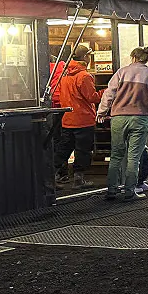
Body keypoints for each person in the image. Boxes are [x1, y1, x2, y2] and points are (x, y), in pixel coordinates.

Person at [97, 45, 148, 202]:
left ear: (133, 57)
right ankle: (130, 191)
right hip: (139, 119)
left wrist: (101, 112)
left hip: (118, 118)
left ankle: (111, 190)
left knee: (116, 156)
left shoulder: (121, 73)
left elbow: (108, 94)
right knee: (134, 157)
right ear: (145, 59)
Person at [53, 44, 101, 189]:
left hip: (67, 119)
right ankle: (78, 180)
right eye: (89, 56)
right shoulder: (84, 76)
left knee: (63, 149)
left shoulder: (65, 75)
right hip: (83, 119)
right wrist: (106, 92)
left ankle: (50, 178)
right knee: (83, 151)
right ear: (85, 57)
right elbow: (92, 97)